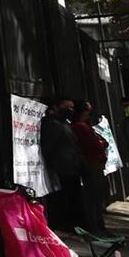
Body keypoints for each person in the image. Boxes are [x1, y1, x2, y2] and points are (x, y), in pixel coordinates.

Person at [40, 97, 84, 231]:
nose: (70, 110)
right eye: (67, 107)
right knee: (65, 199)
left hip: (71, 167)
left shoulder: (65, 124)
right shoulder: (53, 124)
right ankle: (66, 225)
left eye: (72, 107)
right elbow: (49, 146)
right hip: (62, 168)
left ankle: (73, 225)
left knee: (73, 197)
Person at [70, 100, 110, 235]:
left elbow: (102, 142)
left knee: (96, 196)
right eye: (88, 111)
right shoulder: (80, 127)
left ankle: (98, 225)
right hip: (91, 163)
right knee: (94, 197)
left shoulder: (84, 126)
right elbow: (97, 144)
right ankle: (96, 227)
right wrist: (100, 144)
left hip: (94, 163)